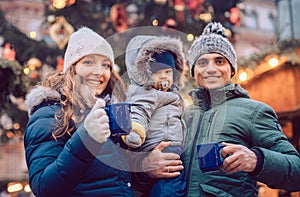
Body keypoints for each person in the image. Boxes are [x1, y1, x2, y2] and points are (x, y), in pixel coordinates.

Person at [180, 22, 300, 196]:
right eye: (202, 62)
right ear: (193, 71)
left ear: (231, 69)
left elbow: (296, 171)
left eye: (219, 61)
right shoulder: (183, 116)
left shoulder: (254, 112)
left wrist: (257, 160)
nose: (211, 69)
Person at [23, 27, 134, 196]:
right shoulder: (48, 114)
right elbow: (44, 187)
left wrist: (149, 166)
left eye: (105, 65)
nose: (98, 72)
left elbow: (116, 179)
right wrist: (86, 139)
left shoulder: (111, 110)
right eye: (88, 62)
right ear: (72, 68)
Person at [124, 35, 186, 196]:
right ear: (144, 74)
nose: (164, 76)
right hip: (159, 148)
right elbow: (139, 110)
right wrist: (135, 130)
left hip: (172, 148)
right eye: (157, 72)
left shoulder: (173, 96)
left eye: (168, 71)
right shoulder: (147, 93)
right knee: (170, 187)